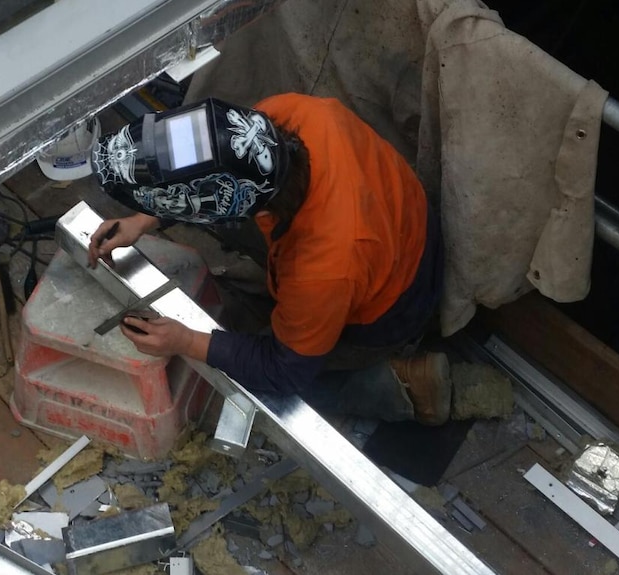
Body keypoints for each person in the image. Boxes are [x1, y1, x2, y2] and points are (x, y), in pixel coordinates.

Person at [87, 93, 450, 425]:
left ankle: (400, 381)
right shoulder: (285, 118)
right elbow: (210, 170)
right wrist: (143, 219)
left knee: (265, 386)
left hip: (393, 304)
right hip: (400, 219)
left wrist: (185, 342)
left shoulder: (321, 270)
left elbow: (283, 370)